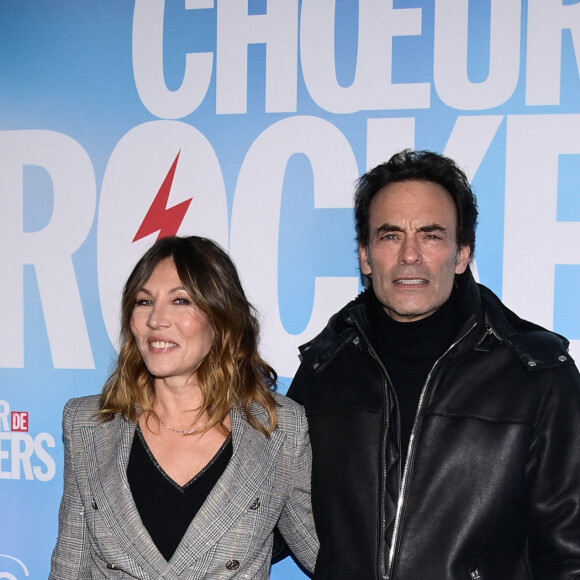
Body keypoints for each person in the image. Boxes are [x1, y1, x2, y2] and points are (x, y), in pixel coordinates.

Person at [287, 150, 580, 579]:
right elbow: (265, 522)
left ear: (462, 254)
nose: (410, 255)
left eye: (431, 235)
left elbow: (569, 554)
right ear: (366, 256)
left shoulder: (538, 375)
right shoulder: (324, 371)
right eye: (389, 236)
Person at [50, 235, 318, 579]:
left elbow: (326, 553)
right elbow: (70, 565)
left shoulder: (279, 428)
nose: (156, 320)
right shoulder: (88, 424)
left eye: (181, 300)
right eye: (144, 301)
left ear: (221, 319)